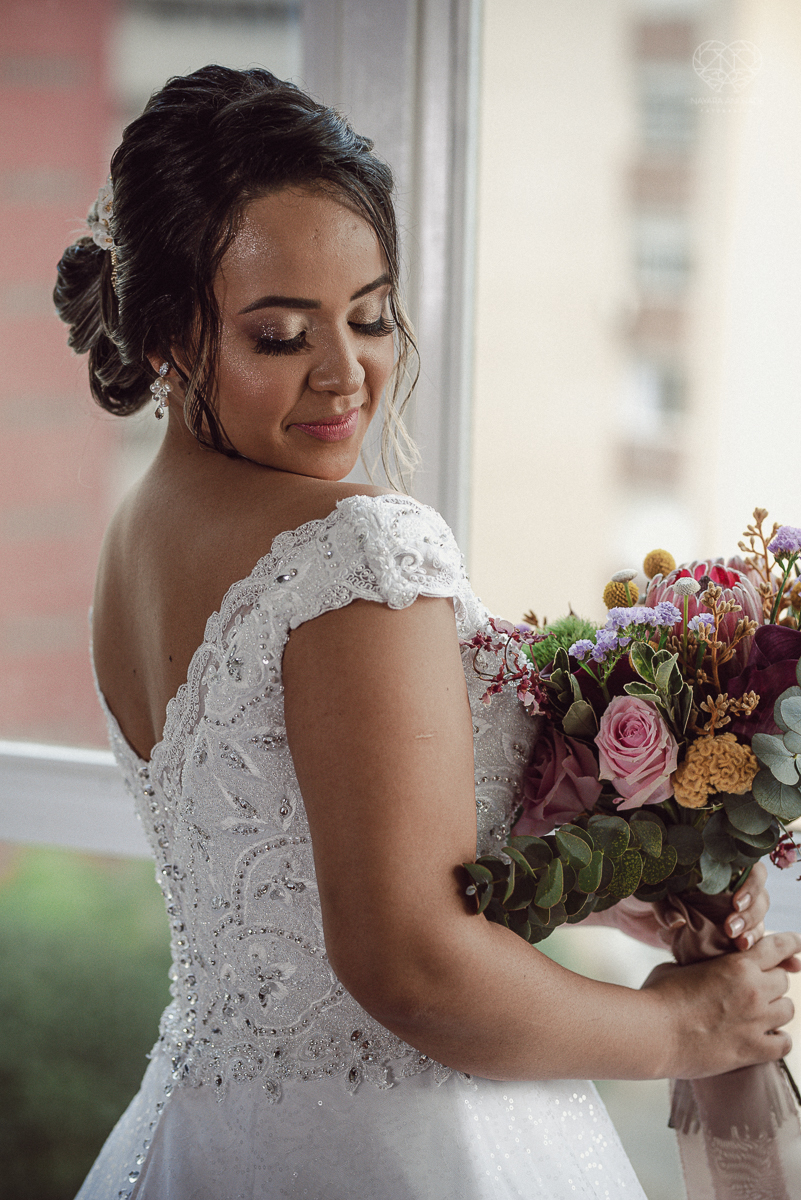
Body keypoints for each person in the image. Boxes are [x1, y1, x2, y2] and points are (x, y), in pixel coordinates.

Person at [54, 66, 799, 1199]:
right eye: (279, 334)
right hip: (400, 1151)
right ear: (164, 334)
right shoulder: (355, 549)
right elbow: (408, 966)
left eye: (369, 315)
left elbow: (325, 857)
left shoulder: (134, 542)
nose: (345, 372)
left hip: (193, 1129)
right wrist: (687, 1033)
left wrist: (622, 879)